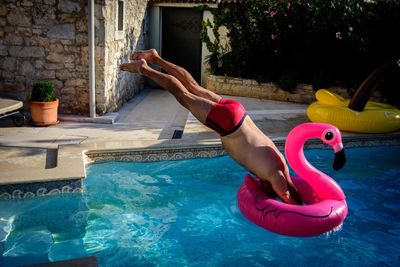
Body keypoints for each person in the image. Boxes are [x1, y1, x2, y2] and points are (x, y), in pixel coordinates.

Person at [120, 49, 301, 204]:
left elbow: (288, 187)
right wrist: (296, 207)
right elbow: (285, 193)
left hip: (238, 112)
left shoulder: (282, 163)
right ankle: (144, 69)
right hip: (229, 125)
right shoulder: (275, 175)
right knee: (182, 94)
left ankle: (155, 57)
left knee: (193, 87)